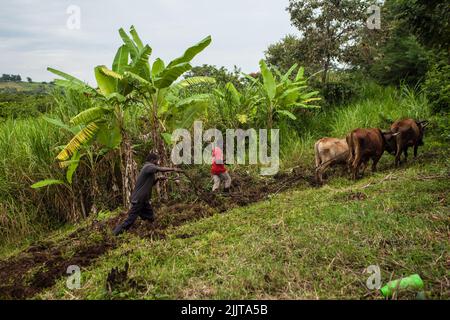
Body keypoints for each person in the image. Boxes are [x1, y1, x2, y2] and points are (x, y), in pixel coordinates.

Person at [113, 152, 182, 236]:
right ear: (152, 160)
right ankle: (114, 234)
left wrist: (158, 179)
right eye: (157, 160)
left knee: (150, 217)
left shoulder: (148, 169)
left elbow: (151, 184)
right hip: (139, 200)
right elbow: (159, 169)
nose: (158, 162)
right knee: (130, 220)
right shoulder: (148, 166)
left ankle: (152, 232)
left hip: (143, 200)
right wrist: (173, 169)